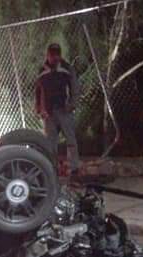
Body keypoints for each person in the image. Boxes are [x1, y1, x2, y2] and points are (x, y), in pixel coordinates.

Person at [35, 43, 80, 177]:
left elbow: (74, 87)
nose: (54, 58)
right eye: (52, 55)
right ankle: (51, 168)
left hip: (64, 110)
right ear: (48, 55)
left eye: (57, 55)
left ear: (60, 55)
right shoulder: (42, 70)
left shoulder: (66, 68)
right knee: (50, 142)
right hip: (49, 112)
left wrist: (72, 103)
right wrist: (39, 108)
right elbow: (38, 91)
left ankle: (74, 167)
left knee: (70, 138)